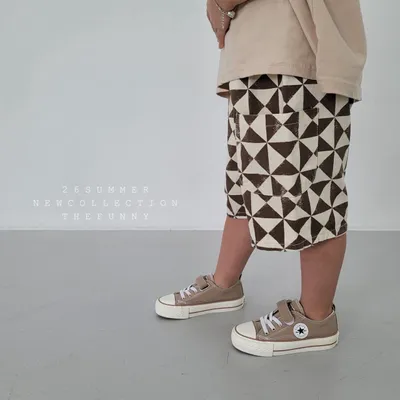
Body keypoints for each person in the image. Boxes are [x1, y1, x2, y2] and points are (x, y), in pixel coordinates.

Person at [155, 0, 367, 357]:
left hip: (296, 46)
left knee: (314, 192)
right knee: (247, 182)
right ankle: (225, 285)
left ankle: (315, 318)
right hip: (262, 52)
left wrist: (219, 4)